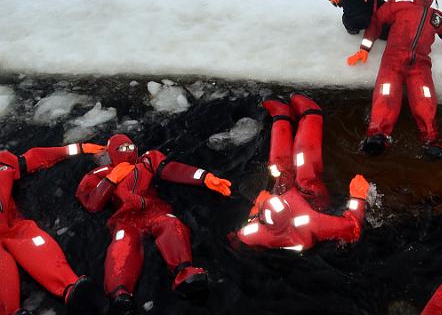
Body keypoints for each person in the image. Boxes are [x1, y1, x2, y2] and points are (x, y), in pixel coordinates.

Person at [76, 134, 232, 315]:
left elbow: (172, 170)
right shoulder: (99, 174)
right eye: (121, 148)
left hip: (153, 210)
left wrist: (204, 177)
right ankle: (119, 293)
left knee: (172, 224)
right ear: (111, 152)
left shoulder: (147, 161)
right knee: (122, 244)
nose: (128, 151)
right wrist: (110, 180)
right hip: (125, 218)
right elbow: (92, 204)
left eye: (130, 146)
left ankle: (184, 271)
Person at [346, 0, 442, 160]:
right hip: (393, 61)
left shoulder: (438, 17)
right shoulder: (399, 7)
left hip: (419, 65)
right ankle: (377, 135)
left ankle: (431, 140)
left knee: (425, 98)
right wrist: (365, 48)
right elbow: (377, 20)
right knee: (386, 94)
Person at [233, 94, 370, 251]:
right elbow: (353, 230)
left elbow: (239, 237)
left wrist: (258, 205)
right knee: (305, 174)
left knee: (279, 169)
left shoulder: (250, 234)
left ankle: (282, 117)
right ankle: (312, 114)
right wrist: (358, 199)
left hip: (283, 199)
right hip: (312, 202)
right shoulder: (313, 223)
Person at [0, 142, 107, 315]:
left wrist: (78, 148)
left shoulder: (4, 164)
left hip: (14, 227)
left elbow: (36, 157)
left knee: (35, 242)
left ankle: (72, 289)